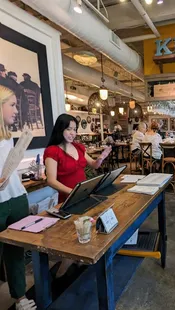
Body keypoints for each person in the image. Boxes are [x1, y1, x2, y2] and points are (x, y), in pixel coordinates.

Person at [0, 84, 37, 310]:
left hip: (16, 198)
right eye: (12, 105)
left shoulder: (8, 136)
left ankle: (20, 297)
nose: (16, 110)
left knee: (16, 253)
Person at [44, 113, 111, 204]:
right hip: (68, 198)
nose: (73, 133)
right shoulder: (52, 151)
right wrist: (73, 192)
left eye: (75, 129)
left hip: (83, 195)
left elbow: (94, 165)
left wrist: (101, 158)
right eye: (69, 129)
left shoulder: (79, 147)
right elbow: (51, 181)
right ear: (60, 130)